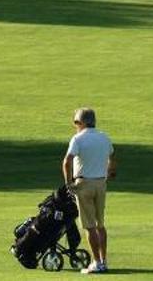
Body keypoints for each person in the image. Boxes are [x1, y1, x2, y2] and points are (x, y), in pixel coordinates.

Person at [63, 107, 117, 274]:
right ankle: (104, 261)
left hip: (84, 184)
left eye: (76, 122)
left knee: (89, 226)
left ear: (83, 122)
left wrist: (69, 183)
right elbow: (112, 159)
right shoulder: (104, 137)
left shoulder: (78, 139)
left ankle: (97, 263)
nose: (75, 125)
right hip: (101, 183)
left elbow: (67, 162)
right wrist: (108, 174)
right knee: (100, 225)